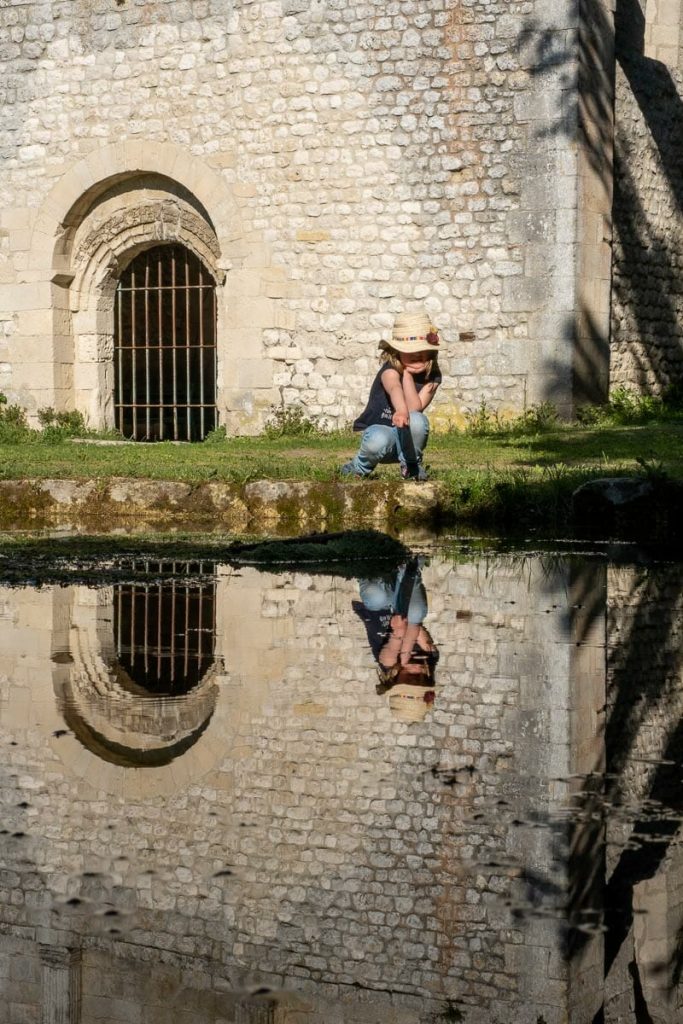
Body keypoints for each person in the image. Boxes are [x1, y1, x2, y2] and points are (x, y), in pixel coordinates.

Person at [341, 310, 443, 481]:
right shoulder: (389, 370)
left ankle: (411, 466)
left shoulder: (432, 377)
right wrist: (400, 410)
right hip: (382, 440)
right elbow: (394, 387)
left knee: (417, 419)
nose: (417, 354)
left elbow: (415, 408)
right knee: (378, 438)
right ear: (397, 351)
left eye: (421, 350)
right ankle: (358, 467)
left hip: (408, 444)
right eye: (411, 350)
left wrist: (408, 376)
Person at [352, 557, 439, 724]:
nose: (415, 671)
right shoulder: (431, 658)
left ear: (395, 680)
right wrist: (407, 647)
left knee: (375, 598)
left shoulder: (387, 663)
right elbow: (415, 627)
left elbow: (395, 642)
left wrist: (400, 634)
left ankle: (369, 564)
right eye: (420, 678)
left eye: (410, 678)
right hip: (403, 603)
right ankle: (409, 567)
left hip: (381, 607)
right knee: (416, 613)